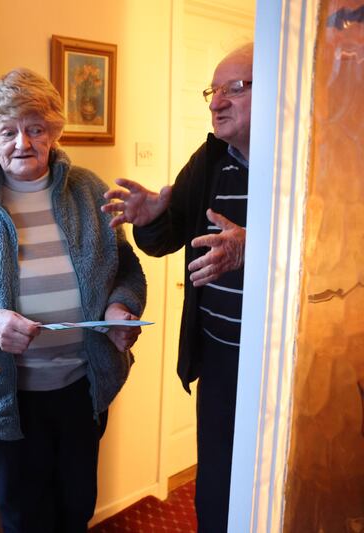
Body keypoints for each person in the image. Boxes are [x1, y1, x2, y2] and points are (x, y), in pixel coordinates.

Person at [0, 68, 147, 533]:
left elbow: (125, 268)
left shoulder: (87, 190)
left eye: (35, 128)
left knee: (76, 510)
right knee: (25, 520)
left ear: (53, 132)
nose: (22, 142)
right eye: (8, 131)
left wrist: (119, 308)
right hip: (9, 402)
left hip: (83, 393)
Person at [102, 43, 253, 532]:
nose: (217, 102)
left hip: (280, 369)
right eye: (214, 90)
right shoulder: (209, 161)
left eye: (236, 87)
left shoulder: (308, 163)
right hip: (221, 361)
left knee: (270, 488)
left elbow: (331, 244)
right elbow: (166, 240)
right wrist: (151, 217)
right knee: (216, 488)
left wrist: (253, 248)